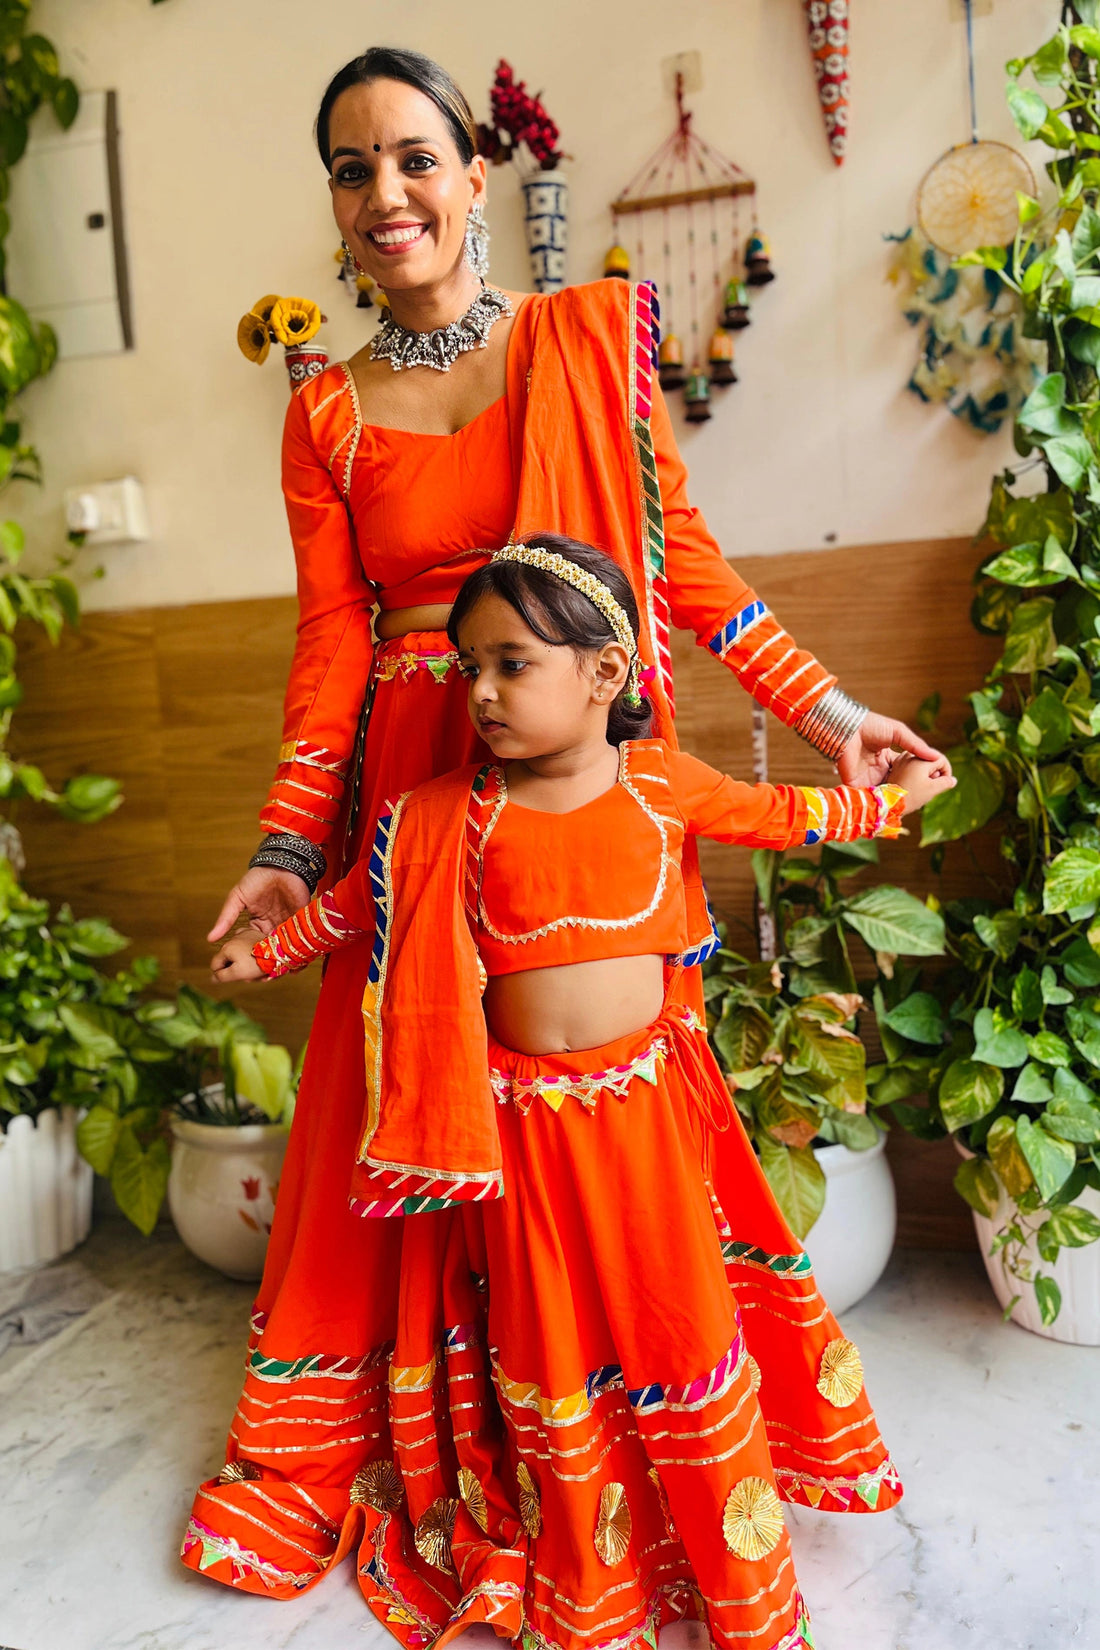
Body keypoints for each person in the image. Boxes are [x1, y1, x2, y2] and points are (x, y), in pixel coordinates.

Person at [184, 40, 946, 1636]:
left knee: (608, 1132)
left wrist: (830, 720)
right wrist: (287, 843)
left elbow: (684, 568)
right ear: (333, 203)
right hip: (412, 801)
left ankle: (630, 1432)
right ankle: (482, 1434)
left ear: (474, 173)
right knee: (419, 1121)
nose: (384, 192)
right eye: (350, 167)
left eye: (411, 157)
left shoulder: (582, 344)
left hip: (575, 787)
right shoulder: (321, 412)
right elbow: (334, 648)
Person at [206, 538, 953, 1650]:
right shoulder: (438, 817)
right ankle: (590, 1579)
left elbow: (779, 816)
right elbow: (357, 907)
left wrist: (889, 799)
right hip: (516, 1139)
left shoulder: (656, 784)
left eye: (512, 664)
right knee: (550, 1344)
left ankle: (737, 1583)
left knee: (677, 1328)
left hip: (645, 1119)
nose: (483, 694)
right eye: (467, 669)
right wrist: (265, 954)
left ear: (605, 674)